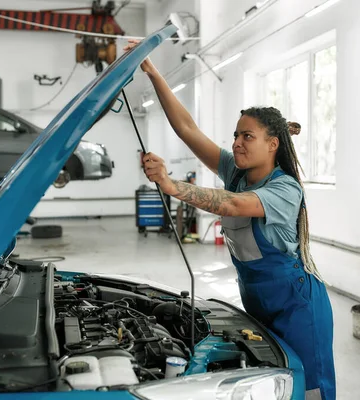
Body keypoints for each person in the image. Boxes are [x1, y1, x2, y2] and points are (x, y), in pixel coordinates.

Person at [125, 40, 336, 400]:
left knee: (310, 389)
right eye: (236, 135)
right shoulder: (236, 171)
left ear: (272, 144)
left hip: (297, 307)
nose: (237, 142)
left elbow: (235, 206)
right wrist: (151, 71)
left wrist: (170, 184)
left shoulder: (285, 189)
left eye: (247, 136)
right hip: (256, 301)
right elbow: (187, 129)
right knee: (270, 385)